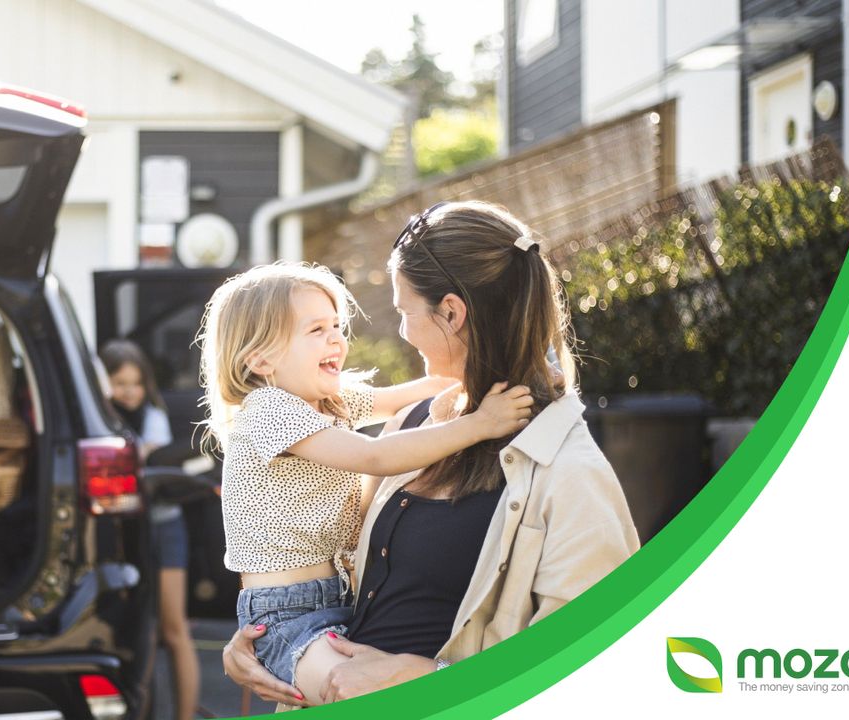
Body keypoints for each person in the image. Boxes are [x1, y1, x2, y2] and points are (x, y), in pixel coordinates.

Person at [222, 202, 640, 707]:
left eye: (404, 312)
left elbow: (592, 663)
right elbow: (336, 578)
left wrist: (425, 678)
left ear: (451, 312)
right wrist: (262, 643)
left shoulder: (570, 473)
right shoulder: (415, 426)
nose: (398, 332)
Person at [197, 262, 534, 704]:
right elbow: (373, 455)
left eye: (336, 325)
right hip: (286, 616)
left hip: (339, 600)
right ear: (260, 358)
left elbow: (401, 396)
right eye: (316, 330)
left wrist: (485, 372)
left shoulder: (325, 400)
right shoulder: (266, 410)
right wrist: (481, 424)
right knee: (354, 696)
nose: (336, 338)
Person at [99, 339, 199, 720]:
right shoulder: (99, 416)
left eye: (135, 383)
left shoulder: (152, 416)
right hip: (120, 536)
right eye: (119, 382)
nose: (129, 391)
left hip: (163, 527)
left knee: (173, 630)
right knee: (132, 633)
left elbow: (141, 460)